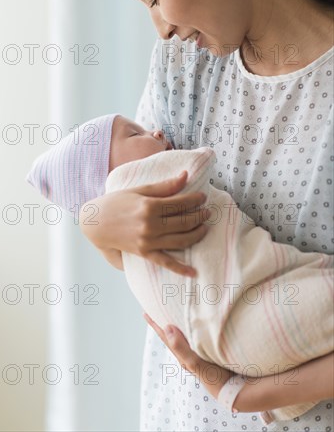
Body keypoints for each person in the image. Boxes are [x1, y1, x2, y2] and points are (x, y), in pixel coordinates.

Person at [80, 0, 334, 430]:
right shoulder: (182, 67)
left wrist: (246, 394)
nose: (162, 27)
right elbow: (153, 251)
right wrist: (99, 223)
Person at [26, 112, 334, 424]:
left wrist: (94, 217)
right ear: (111, 176)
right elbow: (196, 166)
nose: (157, 132)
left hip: (231, 359)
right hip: (244, 320)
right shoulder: (149, 180)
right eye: (135, 134)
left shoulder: (125, 245)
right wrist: (95, 218)